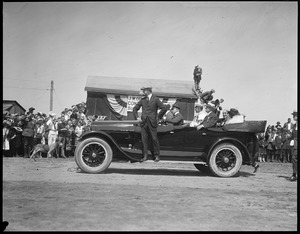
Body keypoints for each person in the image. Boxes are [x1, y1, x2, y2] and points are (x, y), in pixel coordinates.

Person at [133, 87, 168, 162]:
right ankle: (144, 156)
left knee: (154, 139)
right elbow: (135, 108)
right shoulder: (143, 100)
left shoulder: (155, 99)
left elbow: (164, 108)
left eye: (144, 91)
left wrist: (158, 117)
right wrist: (137, 117)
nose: (143, 92)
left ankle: (156, 156)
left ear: (148, 91)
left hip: (152, 122)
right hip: (144, 122)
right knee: (144, 139)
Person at [289, 110, 297, 181]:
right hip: (295, 143)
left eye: (295, 115)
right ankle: (294, 174)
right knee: (294, 158)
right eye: (294, 115)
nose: (294, 117)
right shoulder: (294, 125)